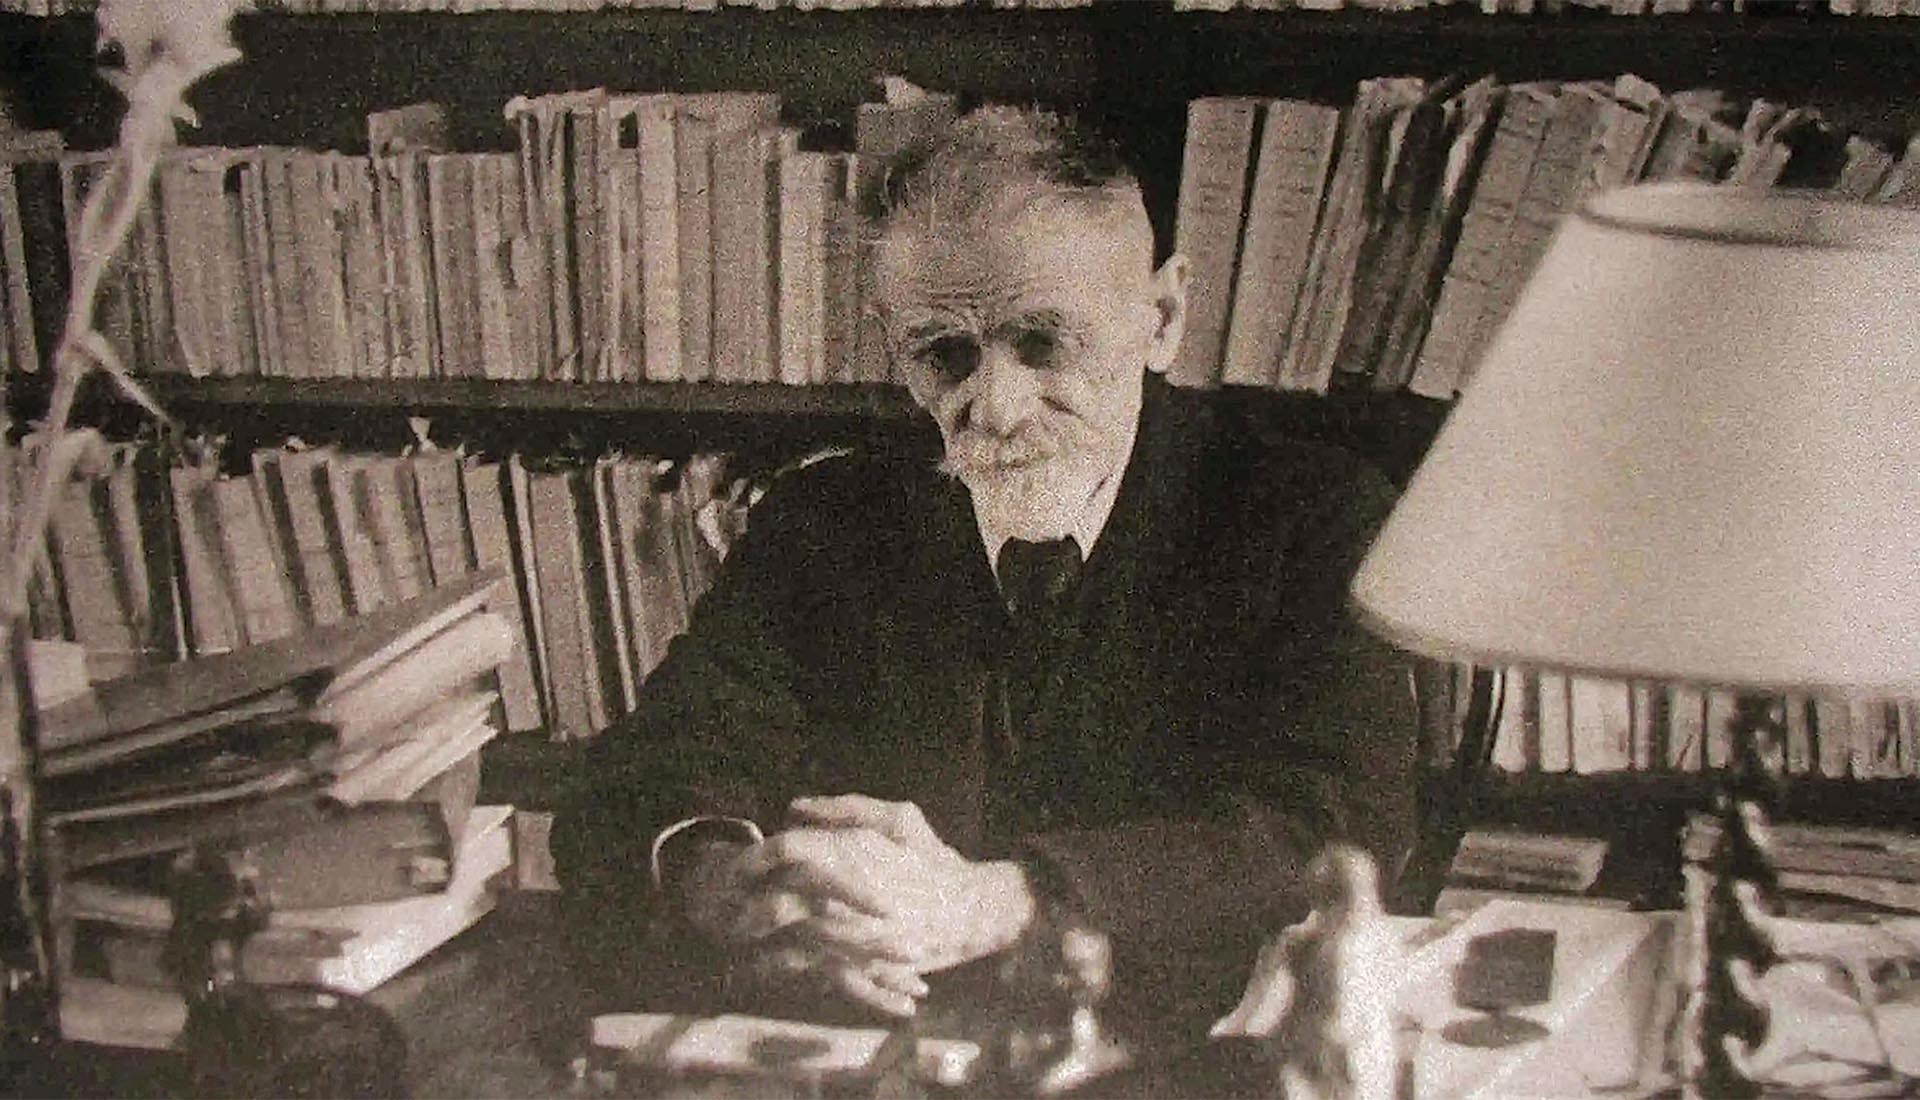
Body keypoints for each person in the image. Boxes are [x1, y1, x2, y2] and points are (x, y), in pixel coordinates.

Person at [550, 104, 1419, 1032]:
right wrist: (736, 890)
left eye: (1044, 343)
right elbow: (640, 778)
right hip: (886, 1043)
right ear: (895, 343)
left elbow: (1336, 829)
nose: (996, 408)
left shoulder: (1309, 517)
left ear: (1162, 319)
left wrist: (999, 901)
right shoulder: (824, 520)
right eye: (945, 354)